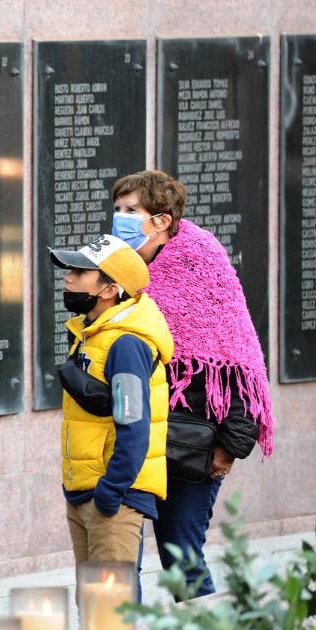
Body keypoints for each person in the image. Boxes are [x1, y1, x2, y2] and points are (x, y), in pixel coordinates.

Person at [110, 170, 272, 599]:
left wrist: (231, 447)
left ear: (161, 219)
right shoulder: (119, 271)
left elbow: (240, 362)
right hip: (132, 440)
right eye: (118, 209)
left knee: (181, 556)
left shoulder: (203, 267)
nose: (119, 217)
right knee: (118, 557)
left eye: (131, 210)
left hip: (191, 445)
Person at [49, 235, 172, 598]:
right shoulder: (93, 334)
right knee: (93, 612)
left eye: (80, 271)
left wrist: (110, 493)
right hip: (84, 494)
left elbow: (134, 425)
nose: (68, 277)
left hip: (112, 500)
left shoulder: (126, 344)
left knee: (109, 616)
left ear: (109, 289)